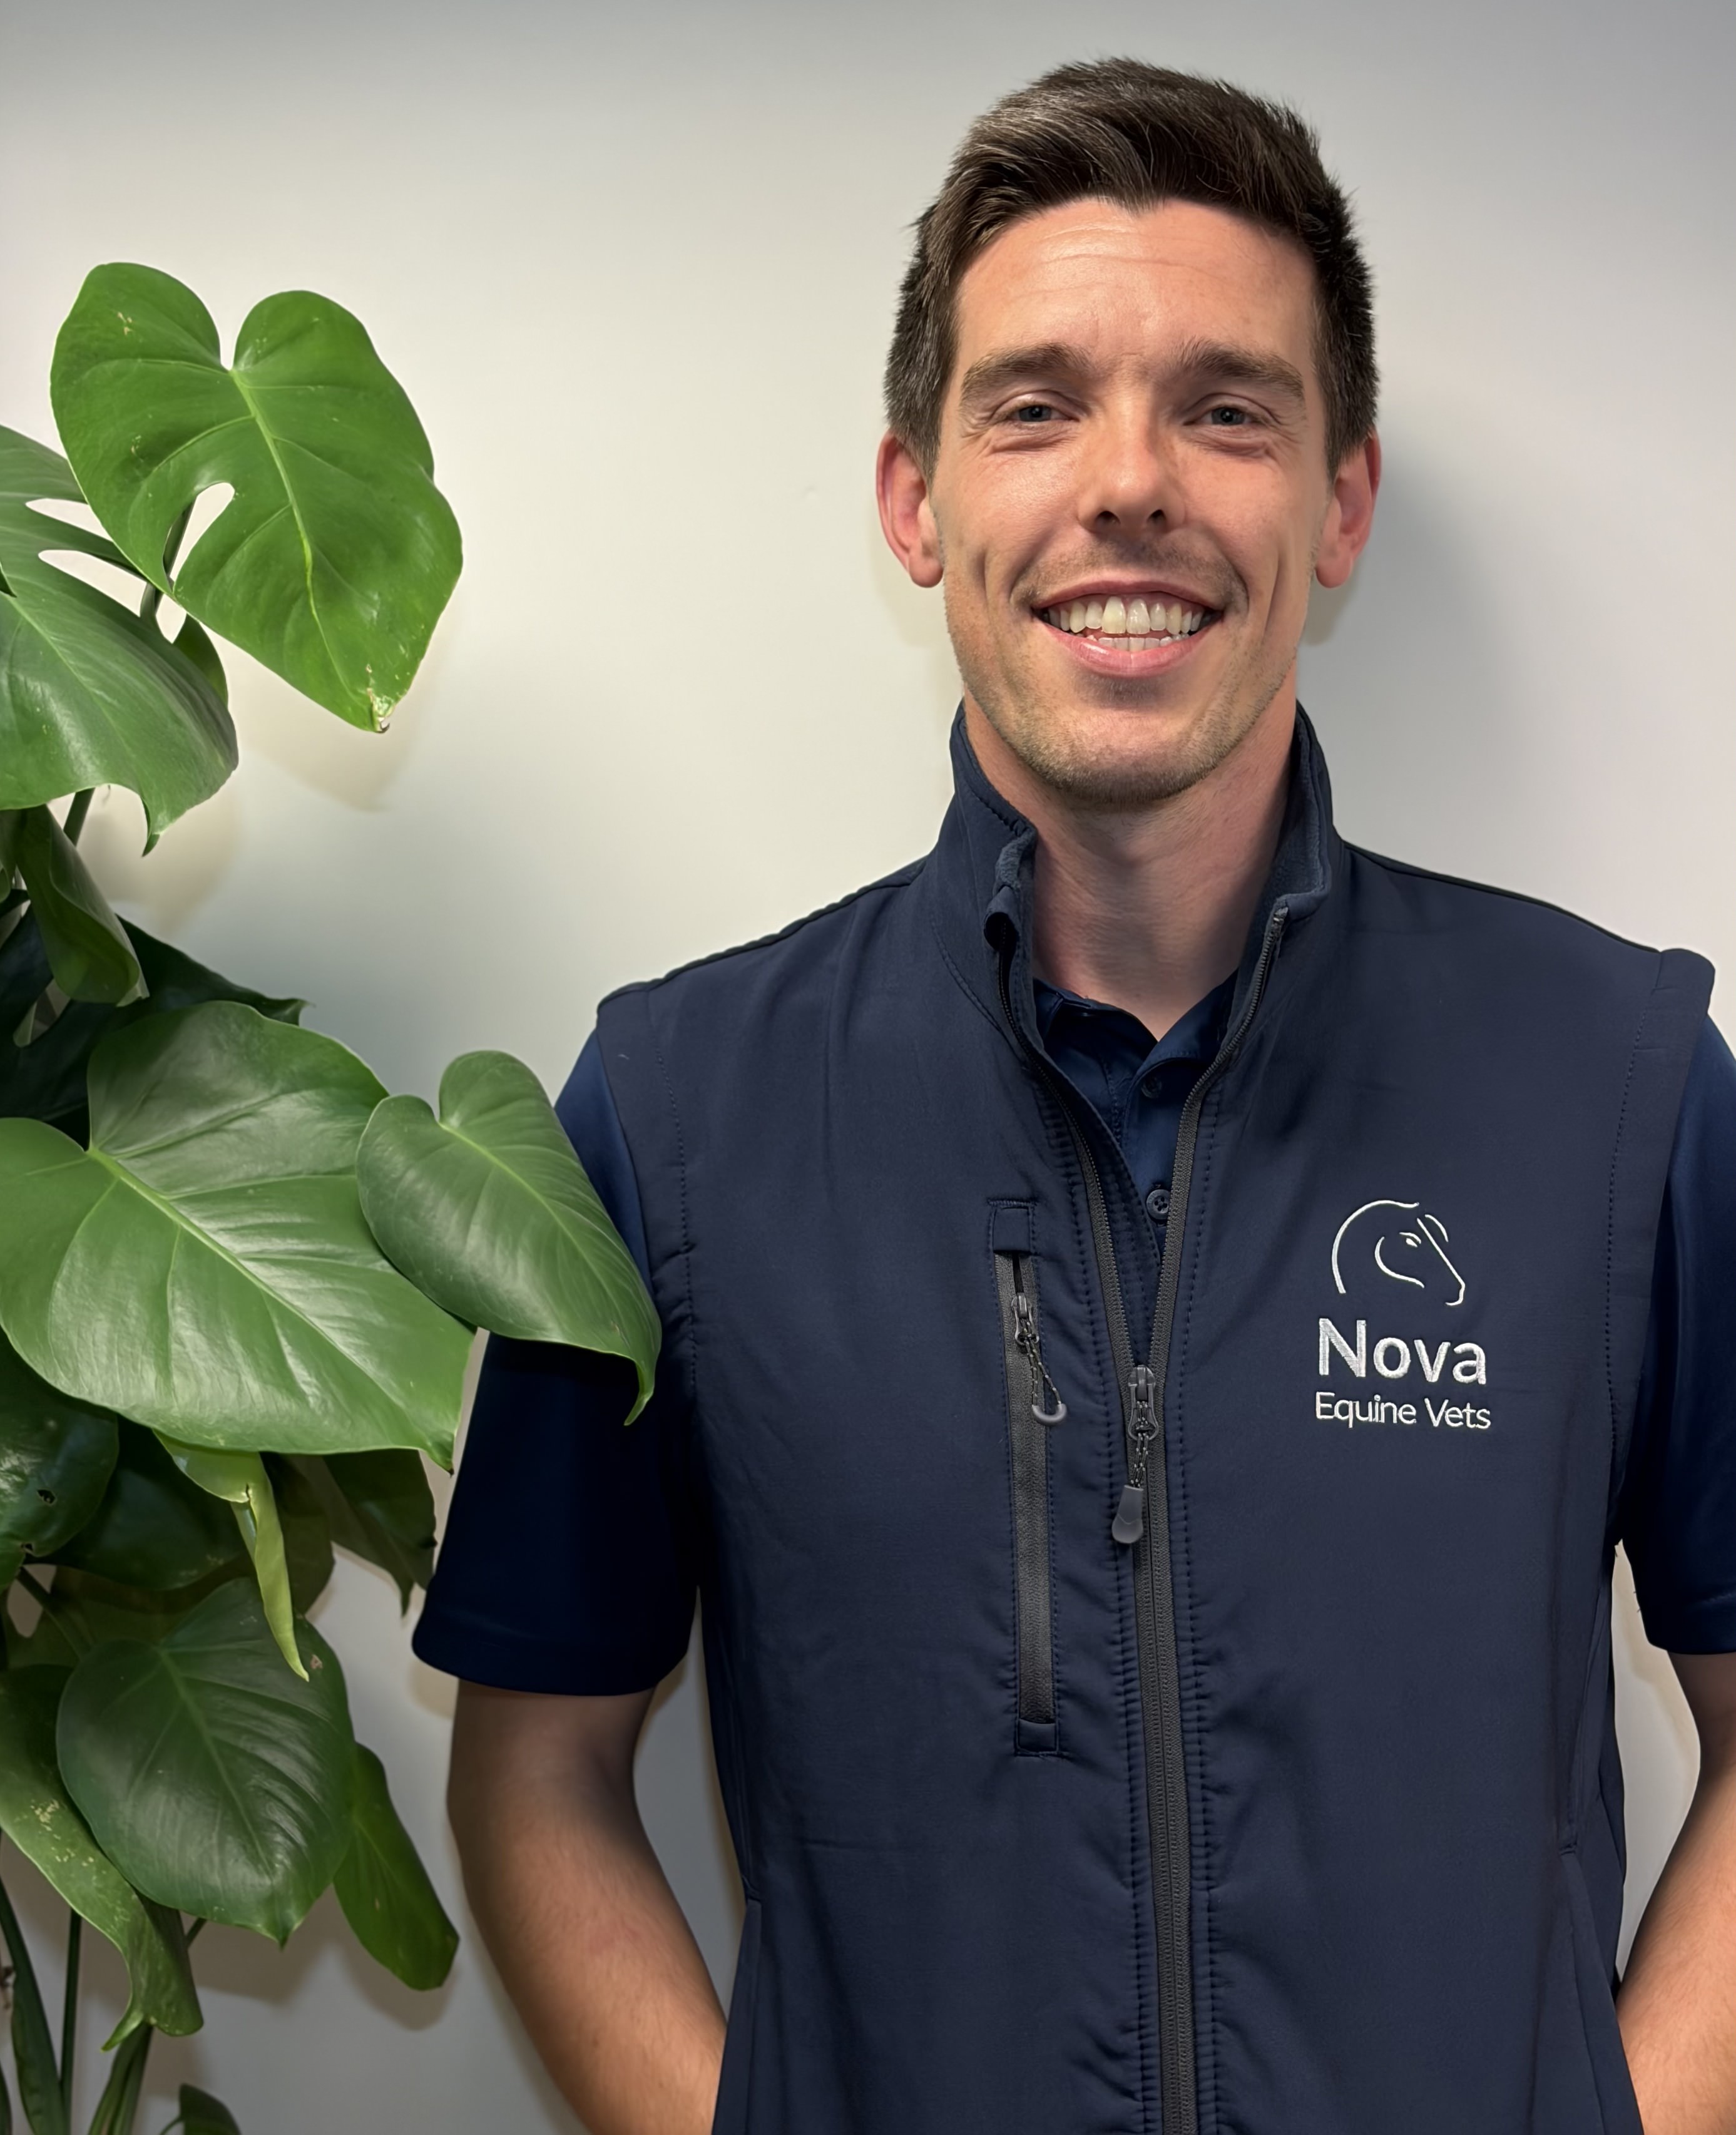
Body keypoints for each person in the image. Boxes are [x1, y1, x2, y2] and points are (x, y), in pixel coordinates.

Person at [415, 59, 1736, 2135]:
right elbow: (541, 1763)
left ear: (1340, 503)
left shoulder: (1620, 1084)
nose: (1132, 484)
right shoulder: (672, 1115)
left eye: (1228, 409)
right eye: (1036, 406)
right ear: (914, 500)